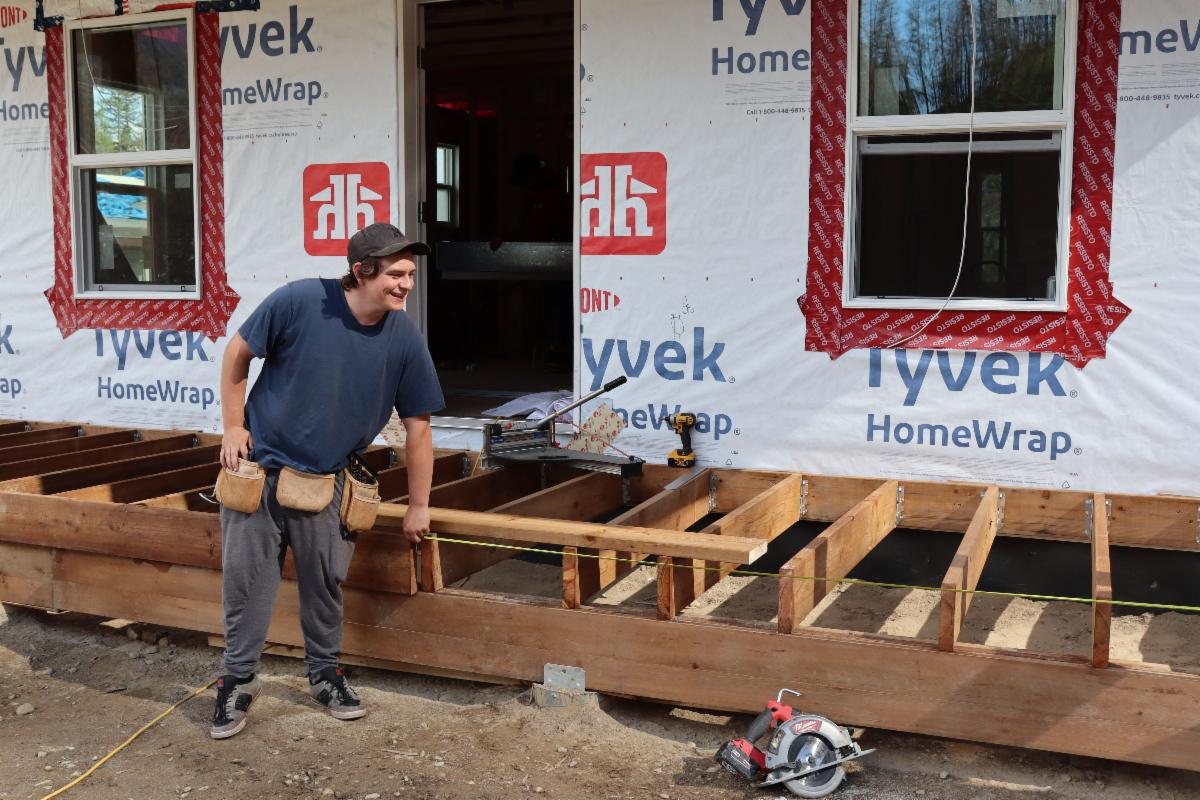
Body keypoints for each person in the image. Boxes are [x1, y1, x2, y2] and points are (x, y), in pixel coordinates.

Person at [210, 223, 444, 739]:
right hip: (261, 471)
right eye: (396, 274)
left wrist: (418, 505)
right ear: (362, 271)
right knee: (246, 584)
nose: (407, 284)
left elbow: (419, 425)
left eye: (410, 274)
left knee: (324, 583)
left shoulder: (403, 336)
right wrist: (232, 425)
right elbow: (237, 354)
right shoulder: (298, 302)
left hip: (329, 479)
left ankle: (324, 673)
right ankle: (237, 682)